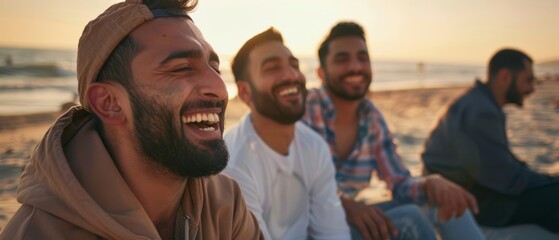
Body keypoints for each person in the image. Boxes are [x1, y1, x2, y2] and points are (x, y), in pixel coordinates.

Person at [0, 0, 262, 239]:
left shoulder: (223, 203)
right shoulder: (39, 233)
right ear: (109, 103)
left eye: (215, 68)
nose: (219, 88)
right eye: (181, 68)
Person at [302, 21, 484, 240]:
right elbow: (294, 187)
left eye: (362, 58)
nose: (355, 67)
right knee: (410, 218)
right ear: (321, 72)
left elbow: (398, 182)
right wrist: (343, 204)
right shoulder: (303, 109)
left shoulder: (372, 118)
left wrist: (430, 182)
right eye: (342, 59)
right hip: (309, 226)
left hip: (352, 219)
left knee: (446, 201)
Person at [223, 27, 352, 240]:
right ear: (245, 92)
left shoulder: (314, 145)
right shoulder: (234, 164)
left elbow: (333, 232)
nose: (292, 75)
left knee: (409, 217)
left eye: (294, 65)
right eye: (272, 68)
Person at [422, 48, 559, 233]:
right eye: (528, 80)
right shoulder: (481, 111)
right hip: (470, 202)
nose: (532, 89)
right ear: (505, 77)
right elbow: (509, 179)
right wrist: (550, 181)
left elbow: (502, 164)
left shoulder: (478, 101)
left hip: (474, 190)